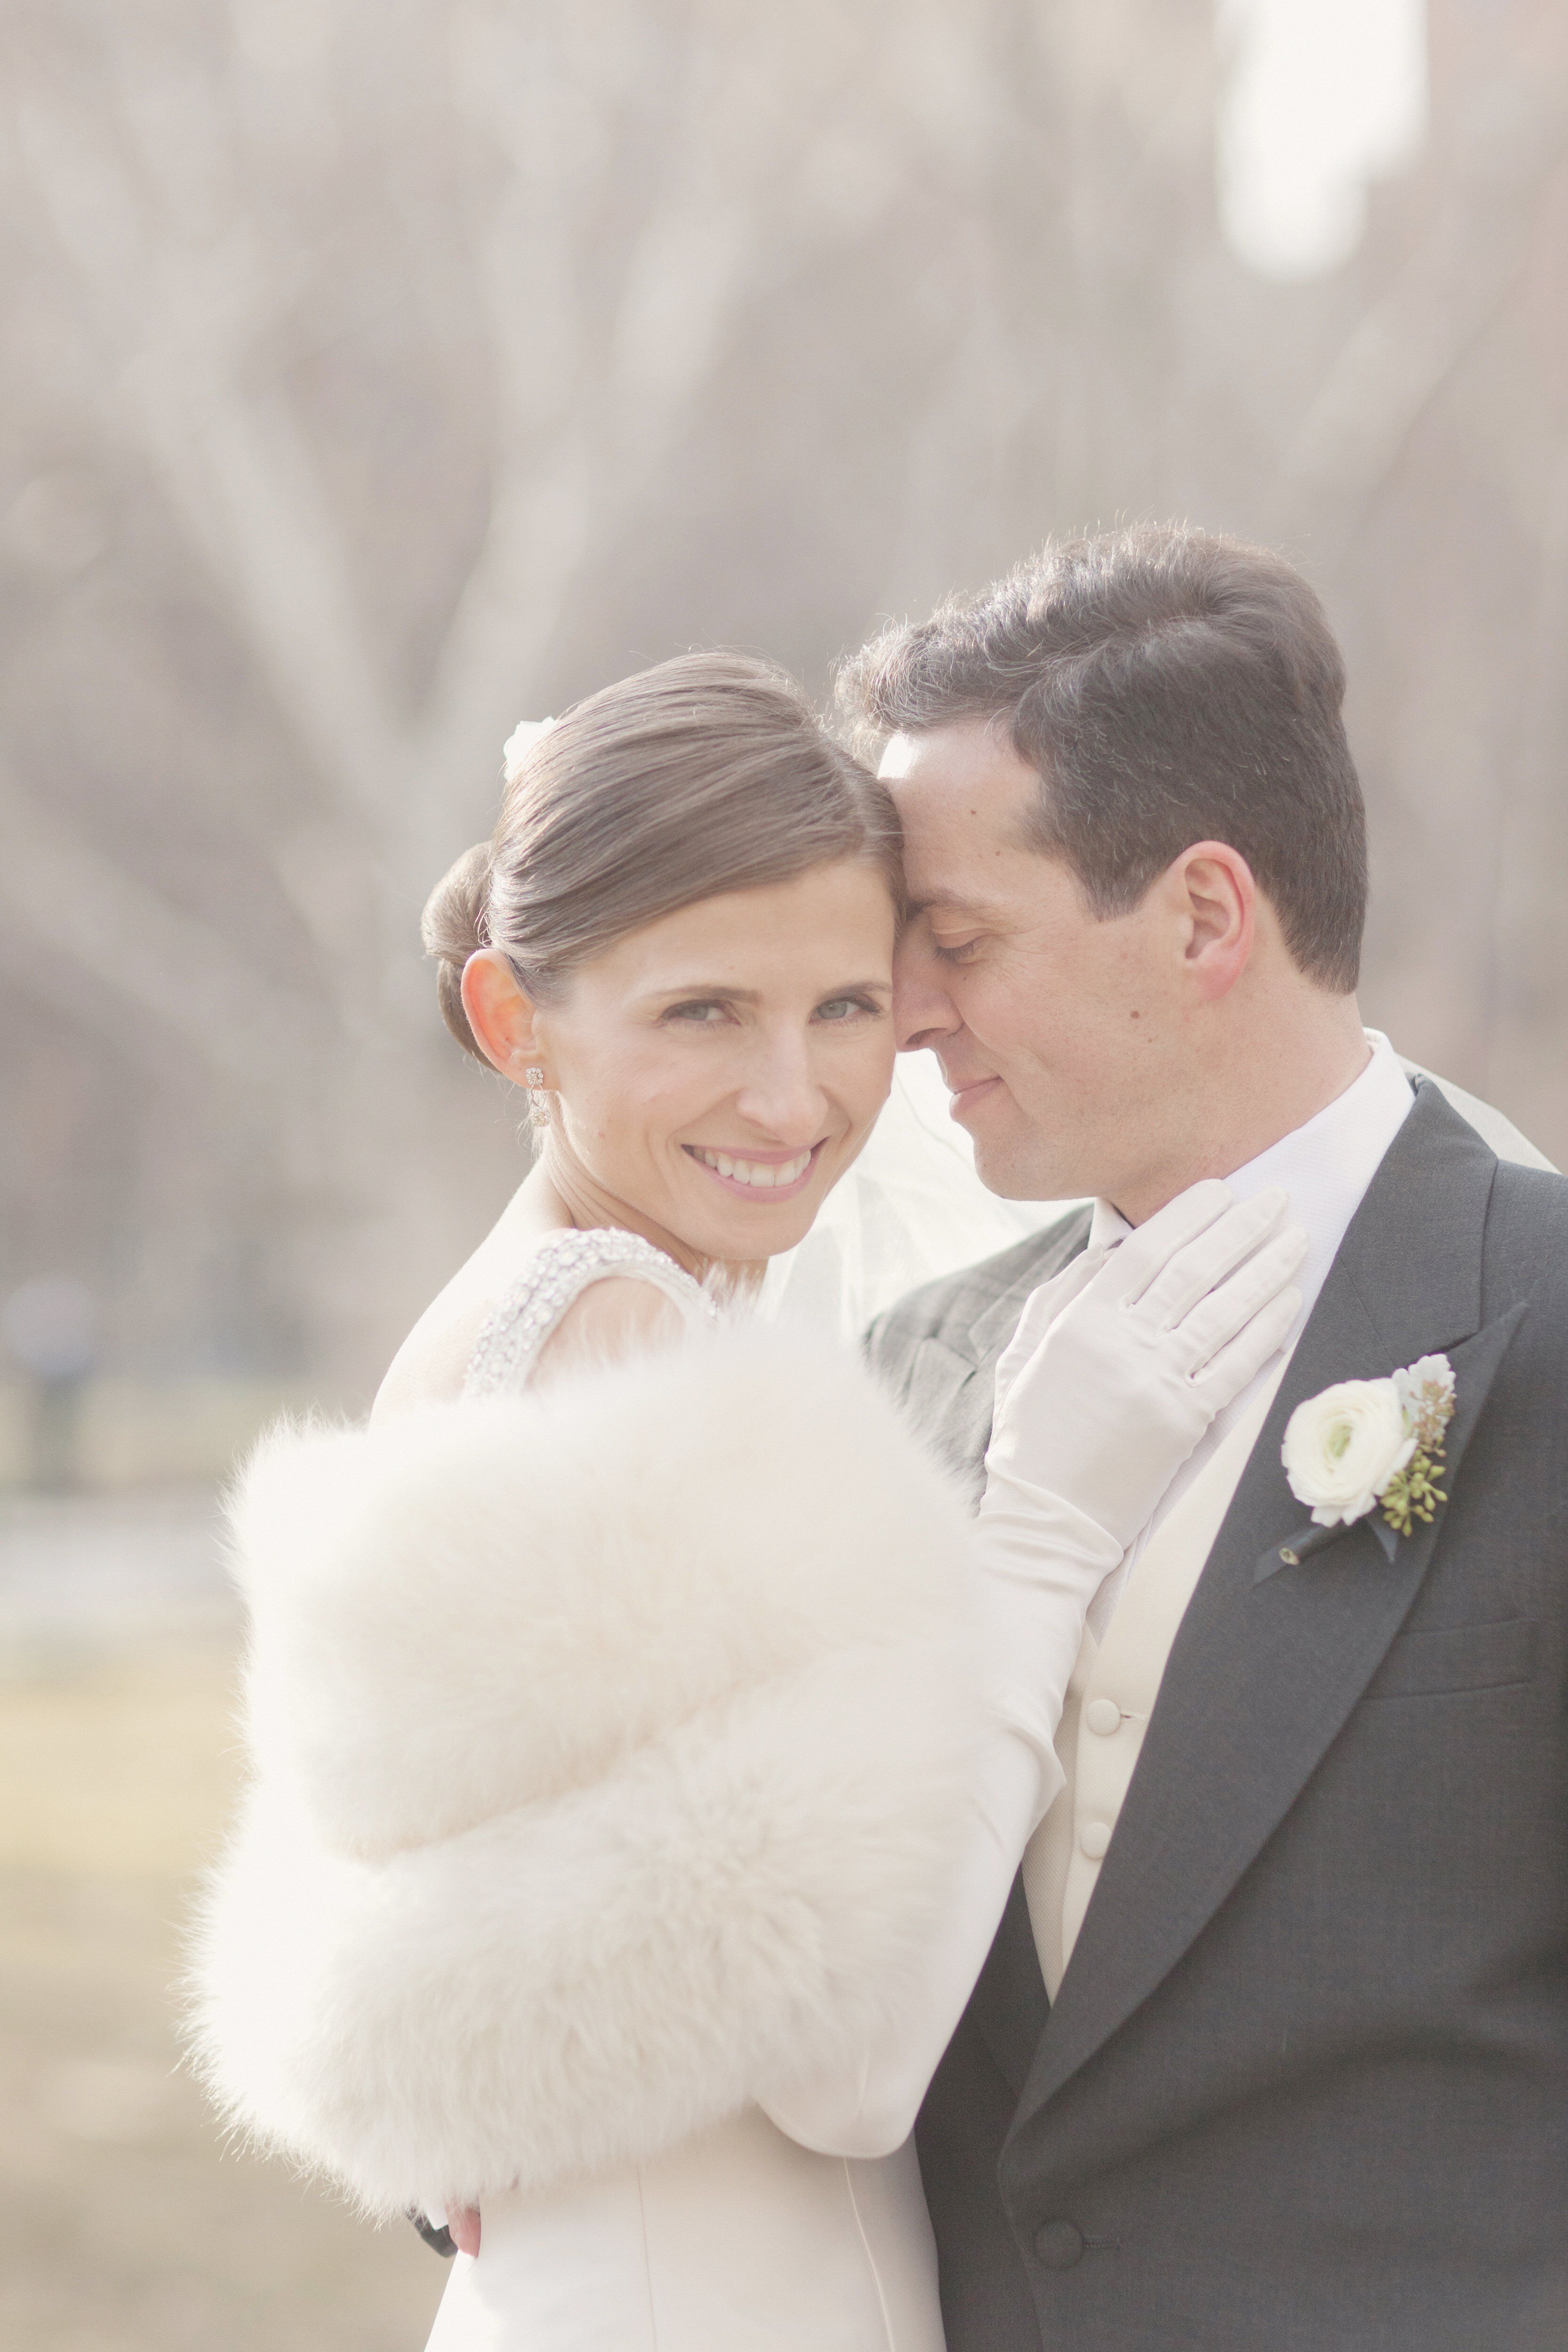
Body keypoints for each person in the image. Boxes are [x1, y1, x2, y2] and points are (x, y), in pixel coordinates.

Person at [190, 650, 1305, 2351]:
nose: (794, 1101)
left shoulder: (583, 1306)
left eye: (845, 1008)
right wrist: (1046, 1524)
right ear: (514, 1021)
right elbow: (847, 2080)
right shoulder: (614, 1333)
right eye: (701, 1012)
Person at [839, 522, 1568, 2352]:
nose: (907, 1012)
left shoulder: (1544, 1326)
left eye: (956, 938)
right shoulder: (906, 1362)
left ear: (1201, 914)